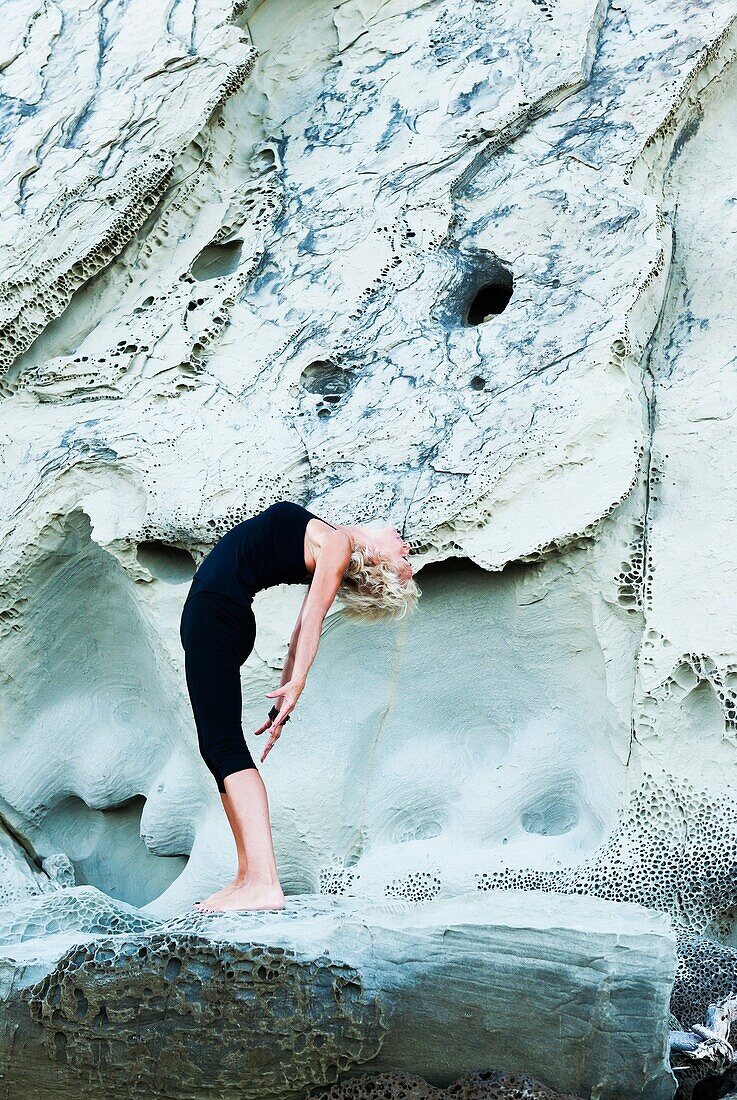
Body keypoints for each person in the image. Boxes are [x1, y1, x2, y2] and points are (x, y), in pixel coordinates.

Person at [179, 499, 420, 913]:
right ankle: (246, 875)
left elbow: (313, 622)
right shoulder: (330, 540)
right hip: (218, 614)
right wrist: (282, 699)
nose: (407, 547)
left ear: (379, 561)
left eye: (403, 558)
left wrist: (298, 683)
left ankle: (264, 883)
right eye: (407, 554)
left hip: (218, 613)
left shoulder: (339, 543)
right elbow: (298, 628)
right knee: (216, 749)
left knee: (224, 747)